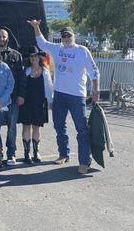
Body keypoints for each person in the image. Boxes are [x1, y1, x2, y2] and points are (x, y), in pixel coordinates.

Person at [27, 21, 100, 175]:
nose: (66, 38)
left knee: (81, 129)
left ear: (74, 36)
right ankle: (64, 154)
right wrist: (36, 27)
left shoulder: (82, 51)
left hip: (77, 96)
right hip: (59, 94)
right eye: (64, 36)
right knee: (59, 125)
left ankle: (84, 161)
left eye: (69, 36)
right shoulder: (57, 49)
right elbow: (42, 43)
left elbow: (94, 72)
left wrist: (96, 90)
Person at [0, 27, 26, 166]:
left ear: (7, 38)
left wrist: (21, 95)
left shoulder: (16, 55)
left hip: (12, 98)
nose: (1, 39)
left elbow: (21, 77)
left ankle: (11, 153)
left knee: (12, 127)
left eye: (3, 36)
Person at [18, 46, 53, 164]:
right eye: (31, 56)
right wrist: (20, 97)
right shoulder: (26, 71)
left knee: (36, 127)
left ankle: (36, 152)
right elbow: (22, 86)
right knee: (26, 126)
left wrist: (50, 101)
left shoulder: (45, 71)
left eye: (35, 56)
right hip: (26, 103)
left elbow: (49, 87)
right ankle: (26, 153)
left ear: (39, 57)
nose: (33, 58)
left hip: (40, 103)